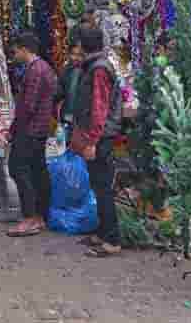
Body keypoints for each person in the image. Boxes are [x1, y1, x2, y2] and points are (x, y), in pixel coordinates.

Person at [71, 24, 123, 257]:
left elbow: (99, 108)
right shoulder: (93, 66)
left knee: (102, 188)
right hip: (98, 134)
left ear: (83, 45)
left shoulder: (99, 69)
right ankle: (102, 232)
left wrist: (92, 141)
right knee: (98, 185)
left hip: (100, 137)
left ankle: (112, 240)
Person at [7, 31, 57, 237]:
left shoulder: (36, 71)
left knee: (19, 168)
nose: (14, 54)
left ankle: (30, 217)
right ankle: (39, 216)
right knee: (37, 170)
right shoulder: (42, 68)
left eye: (16, 50)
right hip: (39, 128)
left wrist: (14, 129)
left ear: (24, 49)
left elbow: (28, 105)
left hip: (30, 129)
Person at [56, 39, 84, 141]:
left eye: (80, 55)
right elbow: (59, 92)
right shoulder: (66, 69)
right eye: (73, 54)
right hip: (68, 118)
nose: (76, 58)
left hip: (78, 120)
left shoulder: (85, 71)